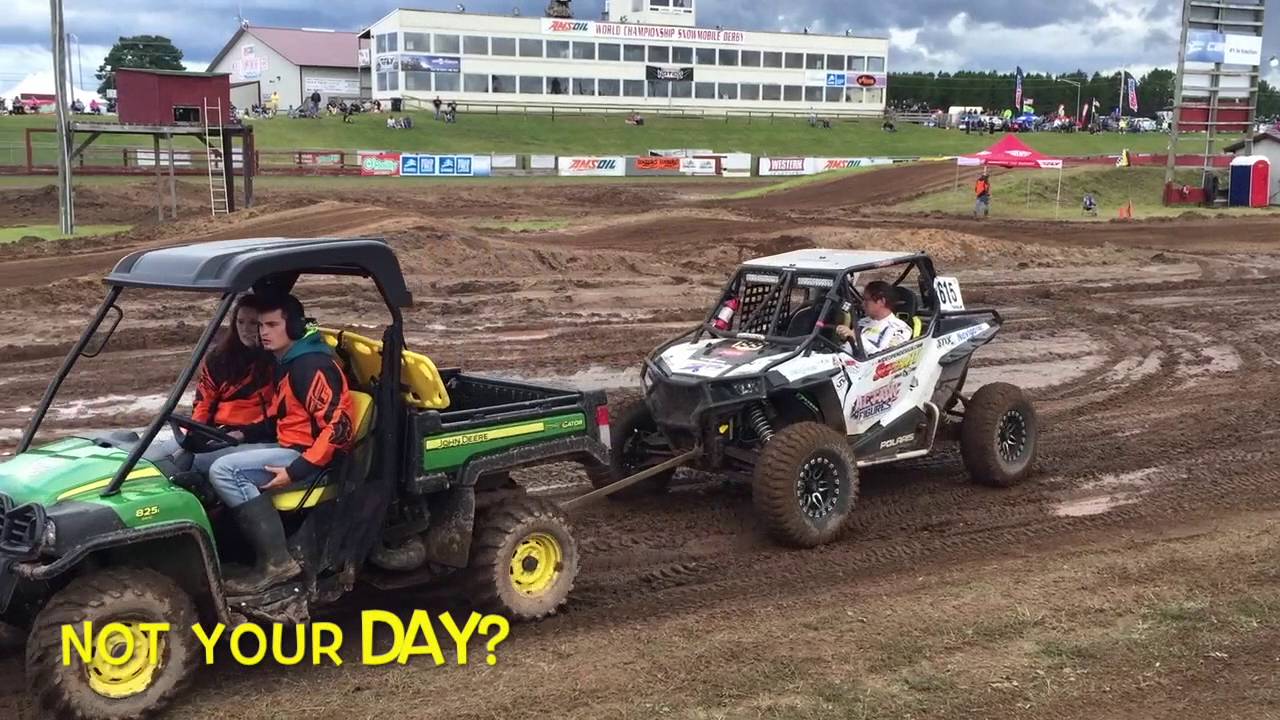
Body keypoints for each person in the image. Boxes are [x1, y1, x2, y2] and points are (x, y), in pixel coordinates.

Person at [207, 294, 354, 593]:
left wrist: (297, 470)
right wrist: (242, 435)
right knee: (203, 458)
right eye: (261, 325)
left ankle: (276, 562)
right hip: (290, 447)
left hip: (310, 459)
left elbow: (339, 429)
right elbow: (281, 418)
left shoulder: (311, 366)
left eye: (272, 324)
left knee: (225, 470)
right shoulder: (287, 363)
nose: (263, 332)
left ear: (296, 328)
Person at [145, 295, 273, 471]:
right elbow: (204, 401)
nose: (245, 329)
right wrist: (195, 432)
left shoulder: (275, 363)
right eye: (240, 322)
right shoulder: (219, 358)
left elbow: (277, 415)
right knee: (156, 457)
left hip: (254, 436)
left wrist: (243, 433)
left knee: (195, 463)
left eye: (253, 323)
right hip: (218, 432)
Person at [835, 281, 912, 356]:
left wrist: (856, 338)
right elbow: (847, 349)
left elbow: (884, 358)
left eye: (866, 300)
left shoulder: (900, 329)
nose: (863, 304)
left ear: (881, 301)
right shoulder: (862, 322)